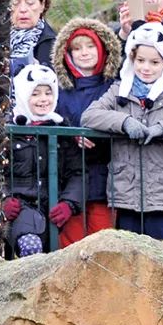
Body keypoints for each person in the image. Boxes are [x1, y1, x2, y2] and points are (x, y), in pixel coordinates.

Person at [82, 22, 163, 244]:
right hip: (126, 195)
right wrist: (124, 122)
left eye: (154, 62)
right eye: (140, 61)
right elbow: (90, 115)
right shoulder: (119, 90)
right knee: (127, 260)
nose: (146, 68)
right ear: (131, 59)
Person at [50, 16, 124, 246]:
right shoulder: (59, 89)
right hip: (69, 179)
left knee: (103, 242)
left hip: (105, 178)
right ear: (67, 53)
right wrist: (71, 135)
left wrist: (97, 136)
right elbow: (52, 120)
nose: (84, 52)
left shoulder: (114, 86)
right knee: (69, 244)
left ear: (102, 48)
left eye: (90, 46)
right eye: (77, 48)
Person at [2, 64, 83, 257]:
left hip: (52, 209)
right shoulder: (9, 128)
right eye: (36, 93)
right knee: (31, 246)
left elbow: (77, 172)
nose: (43, 99)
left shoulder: (61, 128)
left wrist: (69, 204)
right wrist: (2, 201)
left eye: (48, 93)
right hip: (21, 207)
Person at [9, 0, 56, 77]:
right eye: (15, 3)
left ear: (42, 5)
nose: (23, 9)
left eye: (30, 3)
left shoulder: (54, 45)